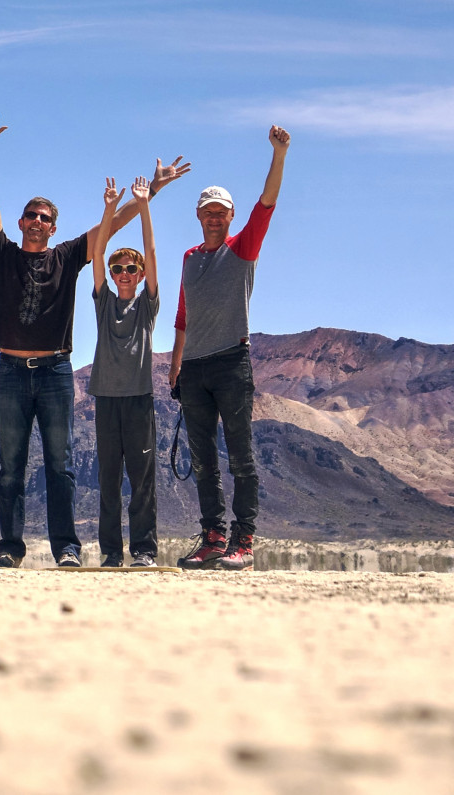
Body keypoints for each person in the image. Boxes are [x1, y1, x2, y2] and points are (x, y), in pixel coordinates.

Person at [0, 112, 190, 568]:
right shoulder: (3, 254)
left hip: (54, 372)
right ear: (20, 221)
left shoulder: (68, 256)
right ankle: (10, 550)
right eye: (31, 215)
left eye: (45, 217)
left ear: (54, 227)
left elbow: (113, 227)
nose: (36, 221)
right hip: (10, 371)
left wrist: (153, 189)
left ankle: (66, 550)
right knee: (10, 466)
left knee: (61, 465)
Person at [171, 125, 290, 571]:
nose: (214, 217)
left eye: (221, 212)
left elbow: (267, 205)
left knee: (240, 455)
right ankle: (213, 537)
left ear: (231, 215)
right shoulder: (189, 258)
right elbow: (184, 316)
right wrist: (176, 364)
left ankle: (243, 542)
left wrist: (278, 155)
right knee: (202, 459)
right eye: (208, 212)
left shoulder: (243, 249)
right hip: (195, 369)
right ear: (199, 216)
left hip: (231, 363)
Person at [89, 176, 161, 569]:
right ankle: (111, 554)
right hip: (106, 400)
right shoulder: (104, 305)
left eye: (132, 268)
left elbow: (151, 250)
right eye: (119, 268)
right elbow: (96, 254)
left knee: (142, 480)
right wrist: (109, 210)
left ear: (141, 272)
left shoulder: (147, 308)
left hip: (138, 401)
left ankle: (144, 551)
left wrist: (144, 205)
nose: (124, 273)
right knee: (108, 481)